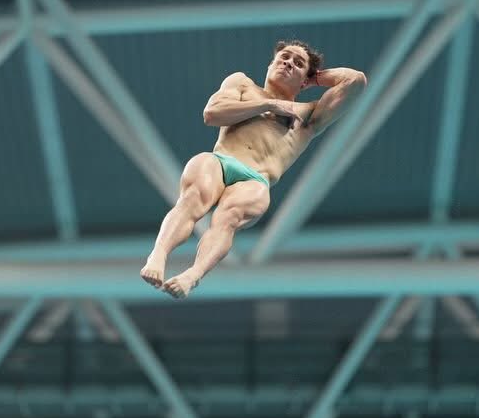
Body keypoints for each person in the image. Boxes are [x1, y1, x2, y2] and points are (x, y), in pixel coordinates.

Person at [140, 39, 367, 299]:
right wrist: (267, 105)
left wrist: (315, 78)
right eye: (284, 57)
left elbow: (356, 81)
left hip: (255, 178)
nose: (288, 63)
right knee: (192, 198)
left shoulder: (308, 116)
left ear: (305, 81)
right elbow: (212, 114)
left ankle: (193, 275)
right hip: (220, 160)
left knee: (227, 220)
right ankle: (158, 255)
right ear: (271, 64)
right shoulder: (242, 84)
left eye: (298, 63)